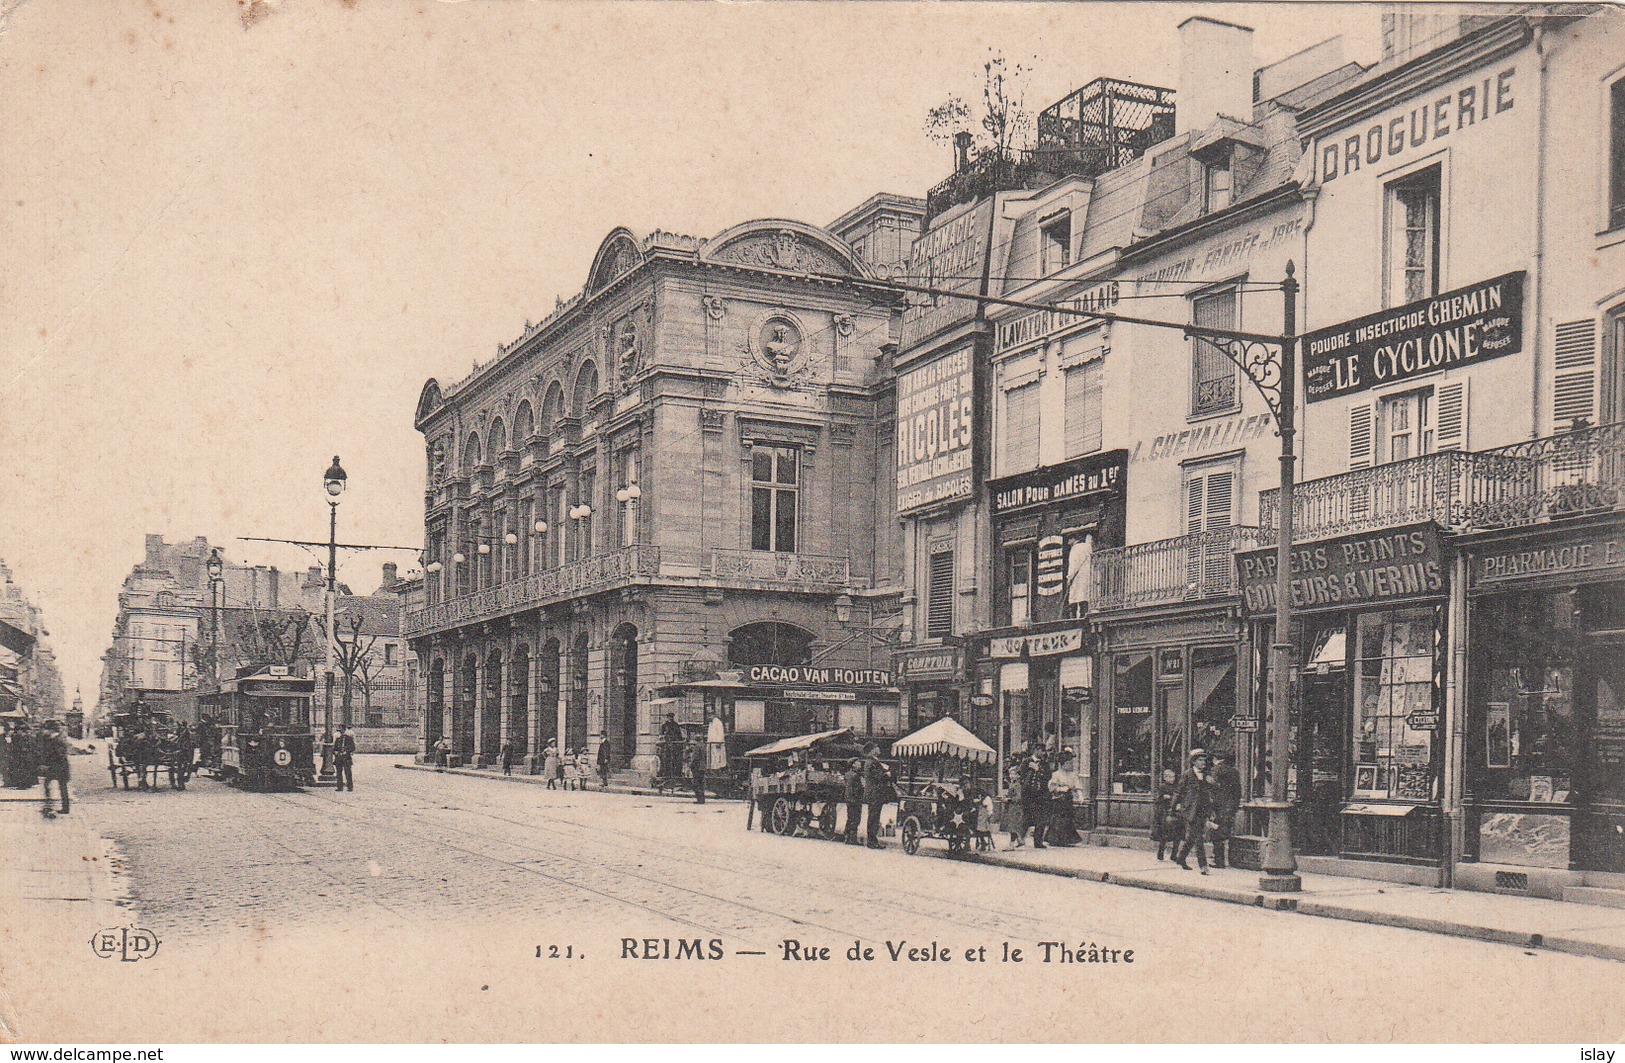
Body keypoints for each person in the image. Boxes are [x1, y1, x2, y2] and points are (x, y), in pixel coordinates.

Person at [1173, 749, 1214, 874]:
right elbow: (1179, 792)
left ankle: (1181, 858)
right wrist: (1173, 808)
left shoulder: (1206, 775)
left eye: (1204, 760)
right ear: (1193, 762)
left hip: (1203, 810)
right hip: (1191, 811)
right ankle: (1203, 867)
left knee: (1192, 837)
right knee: (1198, 839)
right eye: (1200, 760)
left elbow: (1211, 791)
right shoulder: (1187, 775)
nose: (1203, 763)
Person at [1209, 752, 1242, 869]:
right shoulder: (1234, 771)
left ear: (1215, 758)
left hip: (1219, 806)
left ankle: (1219, 860)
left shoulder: (1216, 770)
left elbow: (1213, 788)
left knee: (1216, 833)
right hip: (1231, 806)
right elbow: (1238, 792)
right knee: (1225, 831)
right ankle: (1227, 859)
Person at [1046, 750, 1083, 846]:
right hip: (1058, 799)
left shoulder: (1073, 775)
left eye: (1071, 763)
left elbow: (1077, 786)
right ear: (1063, 764)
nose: (1070, 765)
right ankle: (1056, 839)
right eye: (1068, 763)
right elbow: (1051, 787)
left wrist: (1080, 796)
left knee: (1068, 818)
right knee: (1058, 819)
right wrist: (1061, 789)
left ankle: (1066, 840)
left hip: (1068, 799)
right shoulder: (1056, 774)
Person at [860, 743, 893, 849]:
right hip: (875, 793)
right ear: (872, 750)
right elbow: (878, 776)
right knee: (874, 816)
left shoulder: (872, 761)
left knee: (874, 816)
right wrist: (886, 774)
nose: (878, 748)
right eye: (876, 747)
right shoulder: (872, 762)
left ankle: (873, 840)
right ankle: (871, 841)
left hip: (874, 793)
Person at [36, 719, 69, 817]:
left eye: (46, 729)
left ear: (51, 730)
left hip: (59, 767)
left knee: (60, 787)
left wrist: (49, 765)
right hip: (57, 767)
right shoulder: (53, 738)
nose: (44, 731)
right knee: (56, 786)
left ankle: (55, 806)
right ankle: (59, 807)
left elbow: (59, 755)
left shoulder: (57, 740)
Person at [1021, 748, 1051, 849]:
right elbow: (1021, 776)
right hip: (1028, 795)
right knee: (1026, 817)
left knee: (1041, 819)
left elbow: (1048, 776)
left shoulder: (1045, 764)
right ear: (1036, 750)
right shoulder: (1026, 761)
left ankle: (1038, 842)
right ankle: (1020, 839)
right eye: (1042, 751)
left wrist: (1039, 770)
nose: (1043, 753)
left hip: (1041, 795)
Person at [1150, 766, 1181, 861]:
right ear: (1165, 778)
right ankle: (1161, 853)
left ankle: (1174, 855)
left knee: (1177, 835)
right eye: (1169, 777)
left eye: (1173, 777)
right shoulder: (1162, 787)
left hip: (1176, 812)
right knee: (1164, 835)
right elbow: (1157, 799)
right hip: (1165, 813)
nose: (1172, 779)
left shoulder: (1177, 786)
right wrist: (1164, 797)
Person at [1003, 763, 1028, 850]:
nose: (1011, 776)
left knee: (1013, 826)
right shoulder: (1013, 784)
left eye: (1013, 774)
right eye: (1010, 774)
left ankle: (1012, 844)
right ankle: (1019, 841)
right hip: (1012, 807)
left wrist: (1009, 799)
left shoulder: (1017, 785)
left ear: (1018, 776)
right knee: (1013, 826)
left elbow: (1018, 797)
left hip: (1015, 808)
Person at [842, 757, 864, 844]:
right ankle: (852, 838)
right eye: (858, 762)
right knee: (856, 819)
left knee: (850, 817)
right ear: (853, 764)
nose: (860, 764)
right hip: (855, 799)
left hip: (848, 799)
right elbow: (858, 788)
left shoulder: (847, 774)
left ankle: (847, 836)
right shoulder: (856, 775)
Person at [332, 726, 356, 792]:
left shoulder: (349, 739)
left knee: (348, 773)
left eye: (341, 730)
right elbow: (334, 749)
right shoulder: (338, 739)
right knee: (339, 773)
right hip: (339, 758)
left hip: (346, 758)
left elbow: (352, 747)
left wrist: (347, 751)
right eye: (340, 731)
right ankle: (340, 787)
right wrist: (335, 752)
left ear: (344, 730)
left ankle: (350, 787)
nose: (341, 732)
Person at [659, 713, 682, 780]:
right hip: (667, 744)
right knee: (667, 759)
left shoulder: (676, 725)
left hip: (675, 744)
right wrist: (662, 737)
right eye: (669, 717)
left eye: (672, 717)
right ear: (667, 717)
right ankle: (667, 774)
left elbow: (679, 735)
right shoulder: (664, 725)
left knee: (675, 759)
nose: (671, 718)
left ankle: (675, 774)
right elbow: (661, 734)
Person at [687, 734, 707, 804]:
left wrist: (691, 764)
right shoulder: (704, 745)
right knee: (701, 783)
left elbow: (695, 757)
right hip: (703, 766)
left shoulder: (697, 746)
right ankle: (702, 799)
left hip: (697, 766)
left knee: (696, 783)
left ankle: (699, 799)